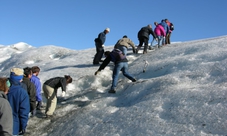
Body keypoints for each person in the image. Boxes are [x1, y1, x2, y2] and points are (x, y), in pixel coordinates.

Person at [7, 68, 30, 135]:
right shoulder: (22, 92)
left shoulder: (2, 88)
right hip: (13, 126)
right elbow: (24, 112)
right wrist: (23, 126)